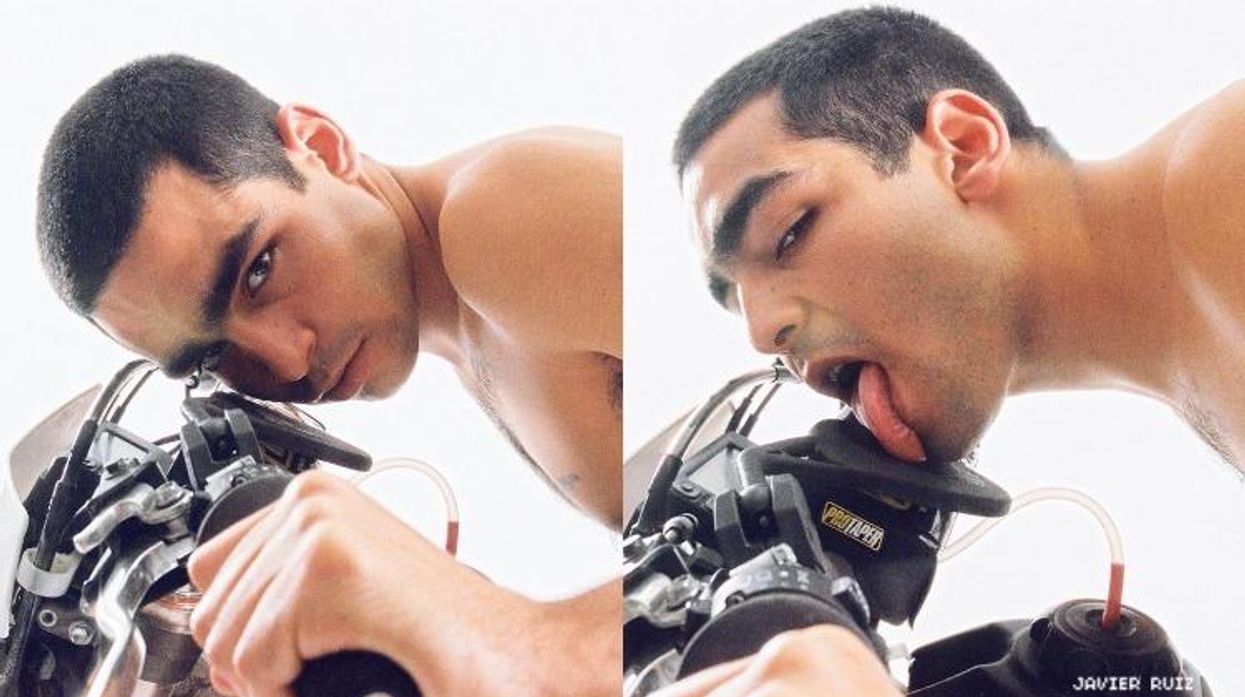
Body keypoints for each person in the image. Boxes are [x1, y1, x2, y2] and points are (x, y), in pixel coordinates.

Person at [663, 6, 1244, 695]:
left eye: (789, 231)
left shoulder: (1223, 173)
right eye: (736, 302)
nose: (761, 333)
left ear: (963, 149)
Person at [36, 55, 621, 696]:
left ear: (320, 145)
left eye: (259, 270)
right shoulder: (478, 321)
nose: (287, 363)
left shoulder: (500, 209)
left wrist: (503, 632)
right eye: (209, 356)